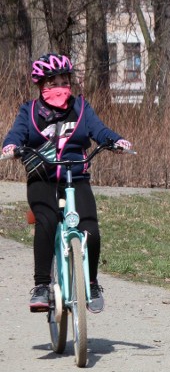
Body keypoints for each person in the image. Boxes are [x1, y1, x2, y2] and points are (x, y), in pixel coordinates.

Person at [2, 53, 132, 314]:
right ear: (41, 85)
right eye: (53, 82)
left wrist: (116, 141)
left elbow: (99, 131)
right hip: (43, 178)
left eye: (65, 81)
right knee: (47, 222)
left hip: (76, 176)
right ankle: (41, 286)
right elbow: (16, 134)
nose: (60, 87)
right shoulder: (28, 112)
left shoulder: (82, 108)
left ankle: (92, 283)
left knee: (90, 229)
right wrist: (11, 146)